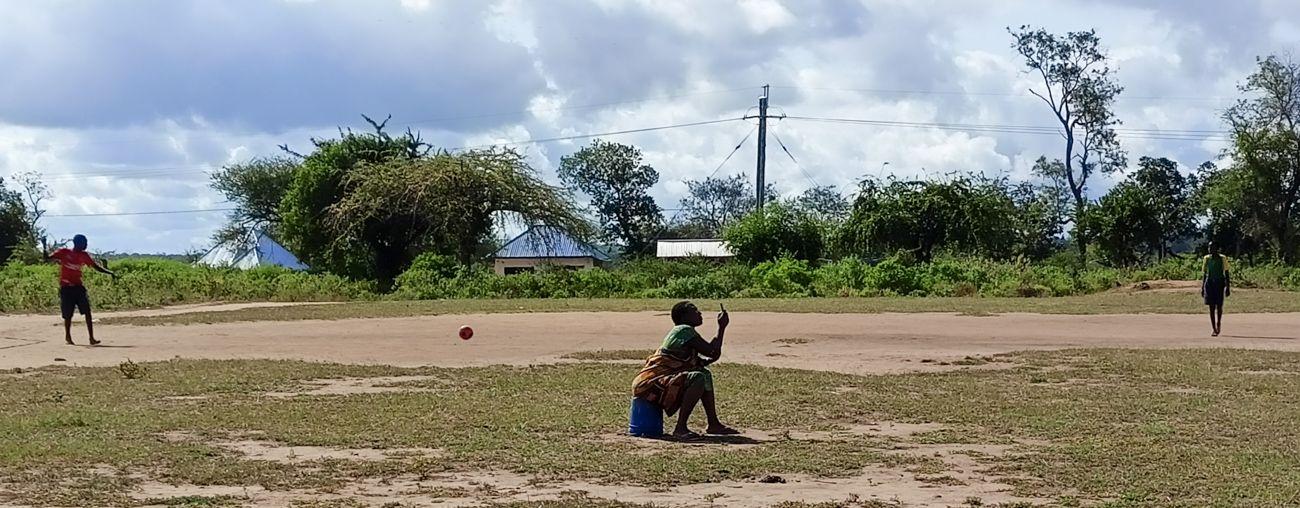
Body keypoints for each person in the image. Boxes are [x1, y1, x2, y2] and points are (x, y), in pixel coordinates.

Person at [632, 301, 739, 440]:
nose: (699, 313)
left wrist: (721, 328)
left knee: (705, 374)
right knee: (697, 377)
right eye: (694, 311)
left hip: (651, 382)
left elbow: (711, 355)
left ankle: (713, 423)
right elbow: (712, 352)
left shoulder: (684, 332)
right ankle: (680, 428)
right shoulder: (684, 330)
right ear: (683, 317)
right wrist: (721, 327)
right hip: (649, 384)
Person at [45, 234, 116, 345]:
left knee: (87, 311)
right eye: (84, 243)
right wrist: (44, 245)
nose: (86, 245)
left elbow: (95, 266)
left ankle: (91, 338)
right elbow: (47, 258)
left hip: (78, 287)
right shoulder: (64, 252)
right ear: (78, 243)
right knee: (68, 314)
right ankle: (68, 336)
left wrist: (109, 272)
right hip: (66, 288)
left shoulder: (84, 255)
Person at [1201, 241, 1231, 337]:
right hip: (1209, 283)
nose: (1210, 249)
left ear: (1217, 249)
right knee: (1211, 307)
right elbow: (1205, 274)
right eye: (1209, 247)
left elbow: (1226, 273)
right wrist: (1202, 287)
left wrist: (1228, 287)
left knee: (1219, 306)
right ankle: (1214, 328)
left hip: (1219, 283)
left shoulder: (1222, 258)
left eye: (1212, 247)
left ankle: (1218, 324)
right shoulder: (1206, 258)